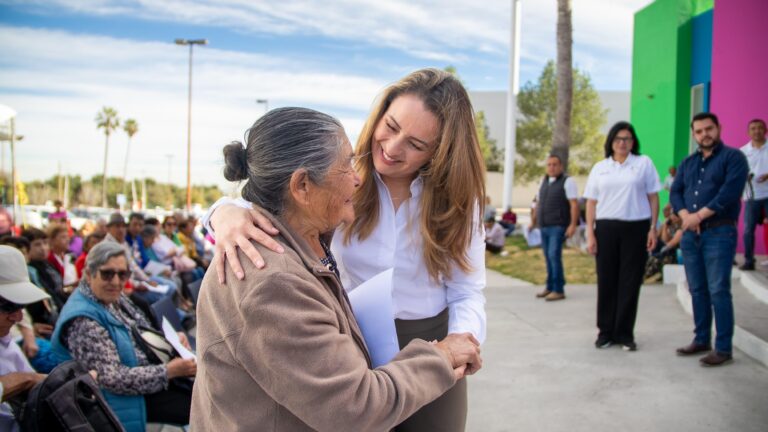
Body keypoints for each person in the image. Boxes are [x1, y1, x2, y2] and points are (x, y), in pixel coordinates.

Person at [204, 69, 487, 431]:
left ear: (440, 152)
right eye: (391, 125)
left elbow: (467, 289)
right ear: (379, 114)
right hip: (349, 337)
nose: (393, 147)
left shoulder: (459, 202)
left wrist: (460, 341)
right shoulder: (341, 177)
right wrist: (222, 213)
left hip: (431, 337)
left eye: (416, 144)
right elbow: (275, 193)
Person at [50, 242, 196, 432]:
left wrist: (170, 341)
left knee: (208, 389)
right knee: (202, 404)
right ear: (88, 274)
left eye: (122, 274)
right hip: (125, 398)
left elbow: (141, 329)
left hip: (149, 376)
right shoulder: (83, 320)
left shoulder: (110, 297)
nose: (116, 281)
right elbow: (112, 379)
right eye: (107, 274)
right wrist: (168, 372)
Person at [671, 112, 749, 367]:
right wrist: (685, 216)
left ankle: (723, 348)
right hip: (691, 235)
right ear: (694, 134)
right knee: (697, 289)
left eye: (709, 129)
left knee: (718, 290)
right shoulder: (687, 163)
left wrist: (698, 217)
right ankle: (701, 339)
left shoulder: (733, 158)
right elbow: (676, 191)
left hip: (719, 232)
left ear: (718, 128)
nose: (705, 134)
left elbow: (729, 193)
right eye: (699, 131)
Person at [584, 121, 661, 351]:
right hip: (606, 228)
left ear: (633, 142)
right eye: (618, 139)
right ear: (611, 142)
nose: (622, 143)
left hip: (636, 228)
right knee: (607, 280)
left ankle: (625, 333)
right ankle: (605, 332)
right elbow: (591, 202)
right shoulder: (600, 167)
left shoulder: (643, 163)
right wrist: (590, 232)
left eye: (627, 139)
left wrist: (653, 227)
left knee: (630, 281)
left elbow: (653, 198)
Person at [0, 245, 49, 431]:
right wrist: (23, 380)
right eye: (8, 306)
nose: (19, 317)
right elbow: (29, 378)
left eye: (21, 306)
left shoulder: (5, 339)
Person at [529, 154, 580, 301]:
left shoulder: (567, 181)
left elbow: (574, 204)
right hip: (544, 225)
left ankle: (558, 289)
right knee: (548, 257)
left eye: (555, 164)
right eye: (549, 164)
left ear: (561, 166)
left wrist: (572, 225)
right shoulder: (543, 181)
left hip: (558, 226)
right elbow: (537, 203)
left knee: (553, 256)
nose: (551, 167)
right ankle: (550, 286)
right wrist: (533, 221)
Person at [739, 118, 768, 270]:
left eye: (760, 128)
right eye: (753, 128)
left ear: (765, 130)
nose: (757, 131)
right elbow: (737, 172)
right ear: (749, 132)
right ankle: (749, 260)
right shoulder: (743, 151)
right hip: (752, 195)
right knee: (748, 230)